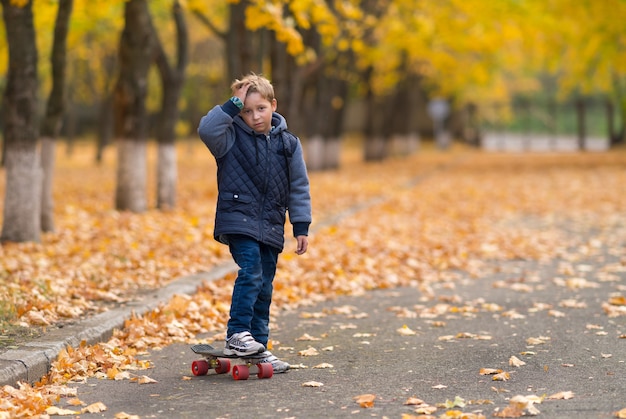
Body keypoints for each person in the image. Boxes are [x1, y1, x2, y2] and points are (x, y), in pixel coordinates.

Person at [197, 73, 312, 373]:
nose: (254, 116)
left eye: (260, 108)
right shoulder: (230, 138)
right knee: (251, 272)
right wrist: (233, 103)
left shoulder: (288, 144)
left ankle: (258, 345)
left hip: (271, 224)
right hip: (238, 220)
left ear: (273, 105)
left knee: (265, 287)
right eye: (246, 111)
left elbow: (298, 186)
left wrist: (301, 226)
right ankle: (237, 334)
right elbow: (206, 129)